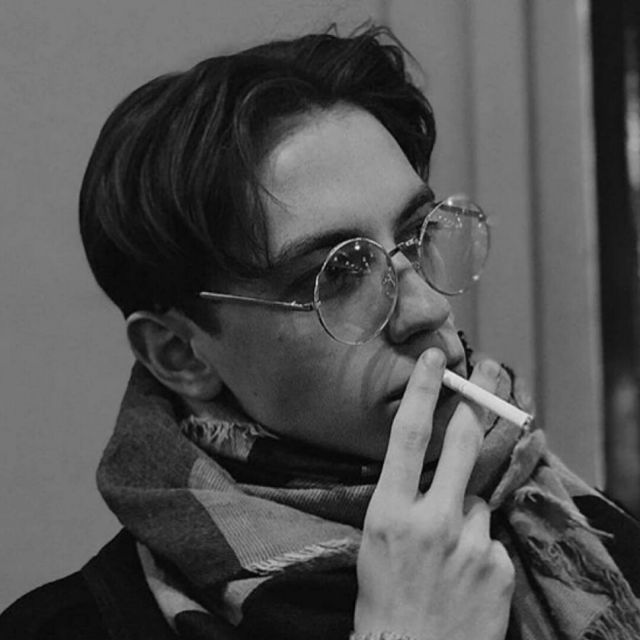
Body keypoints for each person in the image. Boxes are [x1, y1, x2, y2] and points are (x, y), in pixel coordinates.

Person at [2, 25, 640, 640]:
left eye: (417, 236)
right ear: (180, 354)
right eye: (337, 275)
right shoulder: (73, 627)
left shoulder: (594, 543)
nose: (424, 309)